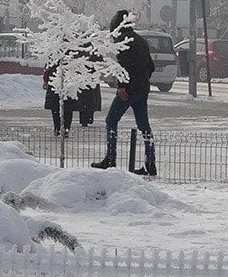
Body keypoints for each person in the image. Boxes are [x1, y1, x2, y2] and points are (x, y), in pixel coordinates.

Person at [91, 10, 157, 176]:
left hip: (128, 89)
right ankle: (150, 164)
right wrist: (142, 80)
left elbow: (124, 66)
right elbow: (151, 67)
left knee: (111, 120)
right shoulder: (141, 40)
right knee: (144, 126)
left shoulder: (123, 40)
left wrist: (123, 86)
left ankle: (111, 159)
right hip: (142, 88)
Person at [42, 51, 102, 136]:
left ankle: (62, 128)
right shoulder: (57, 50)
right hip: (58, 81)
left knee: (63, 106)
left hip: (66, 81)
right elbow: (49, 66)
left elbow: (48, 67)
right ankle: (61, 128)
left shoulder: (70, 51)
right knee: (60, 106)